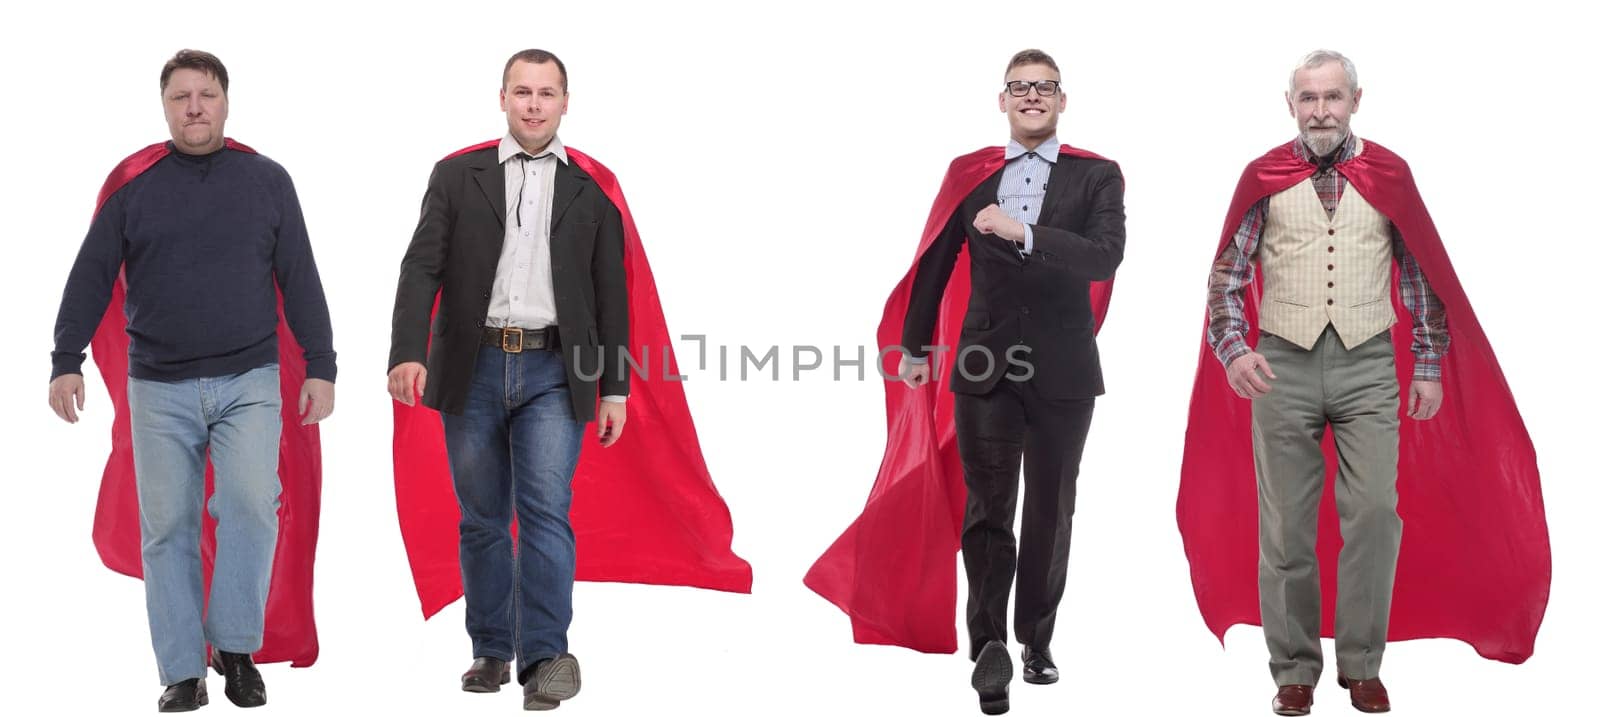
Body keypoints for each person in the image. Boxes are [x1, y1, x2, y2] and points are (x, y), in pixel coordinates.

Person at [1178, 49, 1550, 715]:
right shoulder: (1263, 175)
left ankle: (1362, 665)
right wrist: (1234, 352)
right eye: (1308, 98)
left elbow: (1421, 273)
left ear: (1356, 99)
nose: (1321, 110)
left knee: (1375, 515)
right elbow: (1225, 279)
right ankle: (1293, 670)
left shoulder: (1389, 174)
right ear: (1289, 103)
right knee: (1286, 527)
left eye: (1333, 97)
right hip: (1281, 366)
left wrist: (1429, 366)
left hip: (1369, 365)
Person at [807, 48, 1124, 716]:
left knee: (1050, 508)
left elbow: (1105, 255)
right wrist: (916, 346)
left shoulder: (1097, 177)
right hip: (983, 362)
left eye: (1044, 88)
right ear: (1003, 101)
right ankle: (989, 647)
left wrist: (1024, 231)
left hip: (1064, 367)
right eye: (1020, 88)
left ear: (1062, 101)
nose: (1032, 96)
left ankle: (1037, 639)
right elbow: (935, 261)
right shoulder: (969, 174)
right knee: (987, 508)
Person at [48, 49, 337, 712]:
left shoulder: (266, 181)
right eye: (181, 97)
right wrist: (67, 358)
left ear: (226, 101)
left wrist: (321, 364)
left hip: (250, 379)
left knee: (251, 506)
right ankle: (182, 670)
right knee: (168, 527)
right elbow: (91, 274)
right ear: (166, 106)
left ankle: (235, 648)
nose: (195, 108)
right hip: (159, 388)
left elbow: (300, 274)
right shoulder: (134, 191)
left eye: (205, 94)